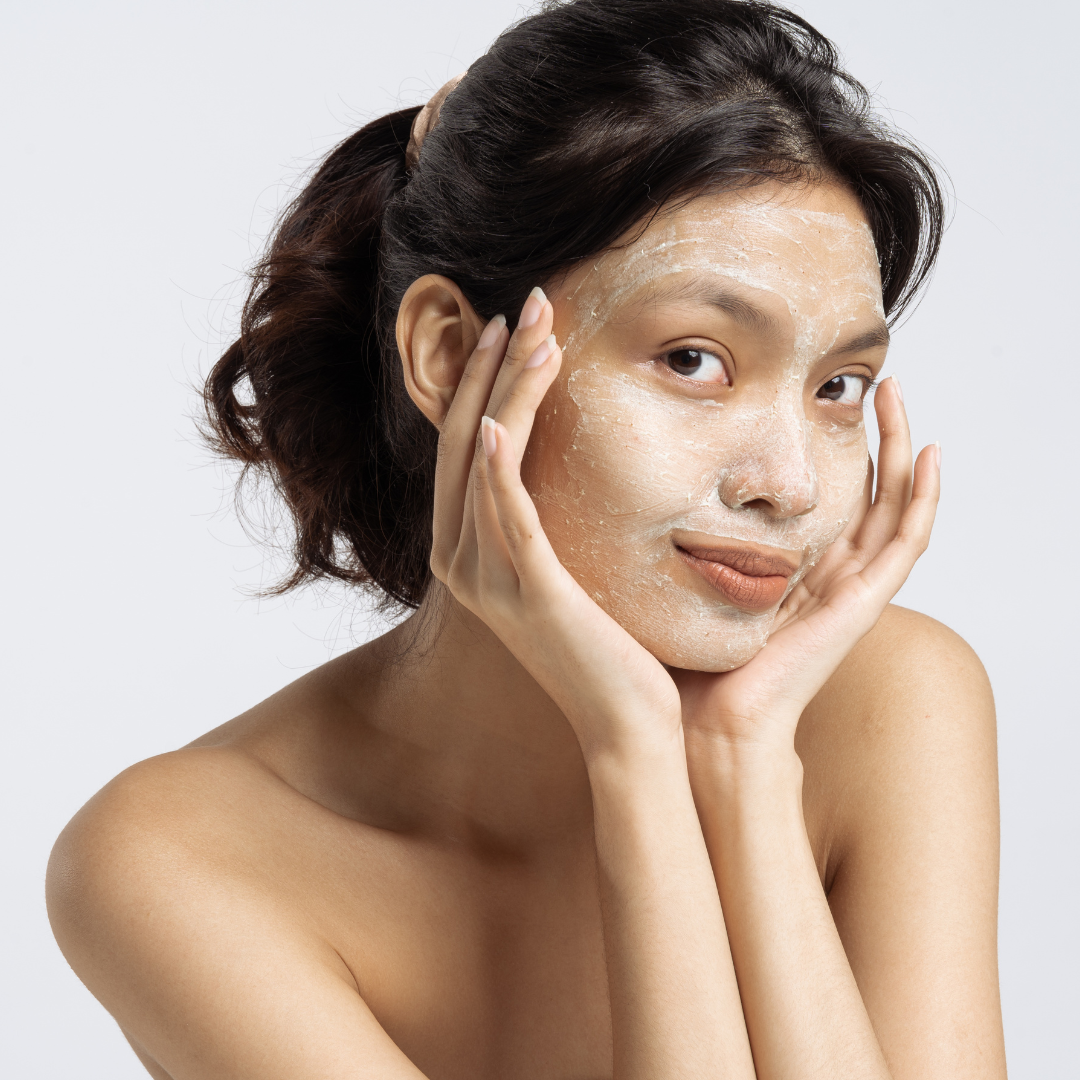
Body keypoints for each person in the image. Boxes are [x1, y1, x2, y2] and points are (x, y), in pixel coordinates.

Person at [46, 1, 1006, 1077]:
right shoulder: (177, 859)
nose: (790, 485)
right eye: (694, 359)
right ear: (452, 358)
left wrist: (742, 766)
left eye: (839, 386)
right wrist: (636, 760)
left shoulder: (886, 706)